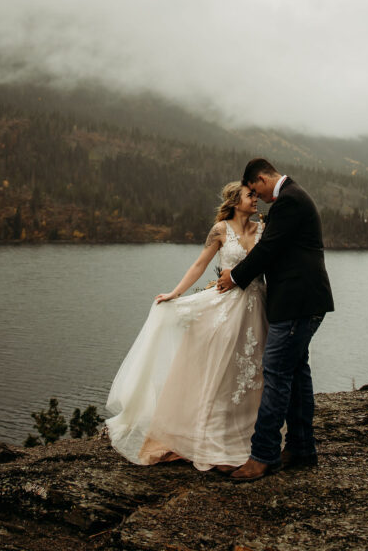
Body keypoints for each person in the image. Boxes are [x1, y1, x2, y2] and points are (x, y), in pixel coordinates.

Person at [105, 181, 267, 471]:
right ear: (234, 200)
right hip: (227, 307)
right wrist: (175, 293)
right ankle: (213, 442)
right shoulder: (220, 230)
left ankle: (252, 441)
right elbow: (199, 265)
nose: (256, 199)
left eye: (256, 194)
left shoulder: (262, 229)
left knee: (252, 374)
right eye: (250, 195)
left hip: (257, 309)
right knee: (222, 373)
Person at [216, 157, 334, 481]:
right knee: (296, 372)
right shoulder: (292, 198)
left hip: (296, 304)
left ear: (263, 179)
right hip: (304, 301)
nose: (259, 198)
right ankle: (301, 448)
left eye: (256, 190)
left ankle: (263, 456)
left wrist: (234, 277)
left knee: (276, 374)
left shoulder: (289, 201)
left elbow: (267, 250)